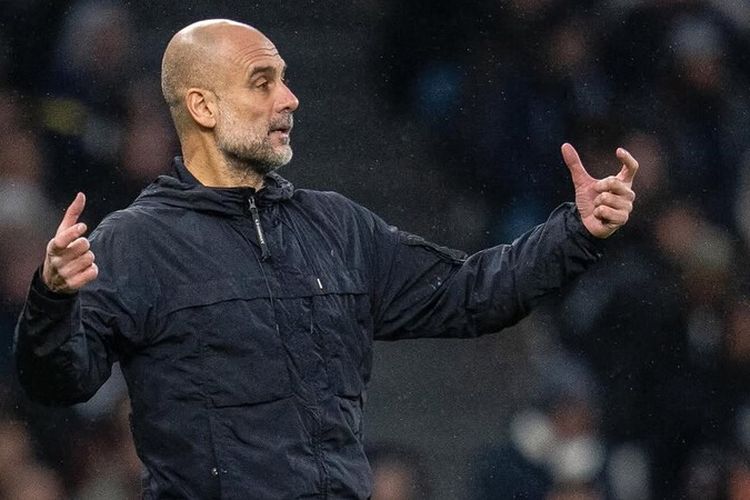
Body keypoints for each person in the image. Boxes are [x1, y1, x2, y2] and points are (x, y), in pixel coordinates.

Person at [14, 19, 638, 499]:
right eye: (263, 82)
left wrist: (576, 231)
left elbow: (472, 294)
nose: (289, 98)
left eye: (285, 79)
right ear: (203, 107)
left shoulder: (338, 226)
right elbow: (59, 381)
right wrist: (52, 299)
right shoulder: (135, 242)